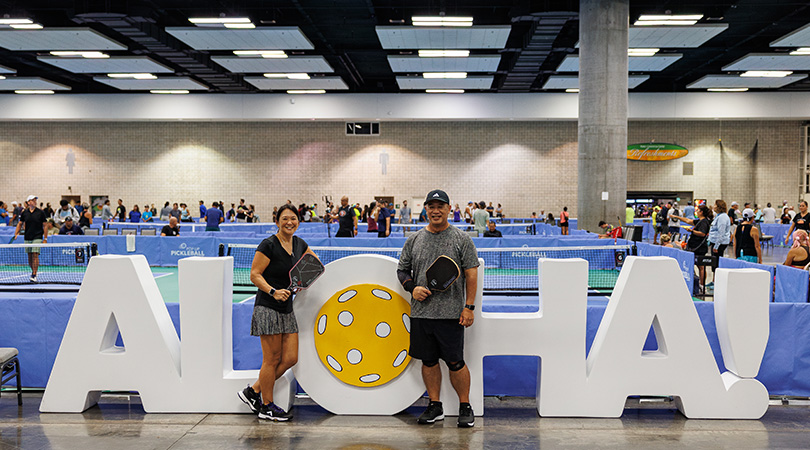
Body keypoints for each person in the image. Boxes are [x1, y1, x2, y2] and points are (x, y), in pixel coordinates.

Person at [396, 189, 479, 428]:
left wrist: (469, 307)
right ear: (425, 209)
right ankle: (435, 405)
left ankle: (465, 405)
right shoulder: (414, 239)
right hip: (421, 313)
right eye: (431, 206)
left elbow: (471, 273)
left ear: (448, 209)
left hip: (451, 314)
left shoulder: (461, 239)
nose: (435, 210)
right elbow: (402, 270)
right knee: (429, 362)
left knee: (456, 362)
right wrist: (412, 288)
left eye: (440, 206)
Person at [238, 204, 319, 422]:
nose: (289, 222)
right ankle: (266, 406)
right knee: (271, 359)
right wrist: (273, 291)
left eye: (293, 218)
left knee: (290, 358)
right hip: (267, 307)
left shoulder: (300, 244)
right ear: (277, 221)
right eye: (285, 219)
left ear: (298, 222)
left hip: (287, 309)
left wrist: (302, 282)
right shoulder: (268, 245)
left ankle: (253, 391)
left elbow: (315, 264)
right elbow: (254, 275)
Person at [672, 205, 712, 289]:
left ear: (701, 212)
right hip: (694, 246)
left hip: (699, 247)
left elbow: (702, 233)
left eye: (698, 210)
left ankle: (702, 284)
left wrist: (692, 231)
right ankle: (697, 283)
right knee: (695, 265)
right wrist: (677, 217)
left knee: (701, 266)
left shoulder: (704, 222)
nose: (696, 212)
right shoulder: (699, 221)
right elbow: (688, 220)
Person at [12, 195, 50, 283]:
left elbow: (45, 225)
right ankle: (33, 271)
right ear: (28, 202)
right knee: (29, 256)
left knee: (35, 254)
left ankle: (34, 274)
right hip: (28, 236)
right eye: (33, 200)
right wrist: (16, 233)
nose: (34, 201)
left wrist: (45, 238)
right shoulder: (24, 213)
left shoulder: (41, 213)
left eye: (35, 200)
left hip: (37, 236)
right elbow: (20, 223)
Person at [706, 200, 731, 290]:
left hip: (720, 243)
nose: (713, 206)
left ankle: (717, 282)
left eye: (715, 205)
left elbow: (721, 232)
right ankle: (713, 280)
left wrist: (716, 245)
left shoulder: (723, 217)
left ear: (719, 206)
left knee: (716, 263)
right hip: (715, 242)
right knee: (713, 262)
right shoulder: (718, 216)